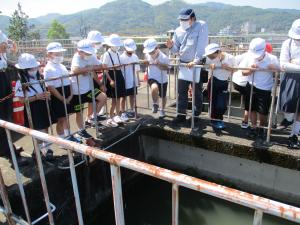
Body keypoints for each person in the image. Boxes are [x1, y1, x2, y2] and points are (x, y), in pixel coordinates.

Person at [166, 8, 208, 125]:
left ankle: (195, 115)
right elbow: (176, 49)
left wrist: (195, 61)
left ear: (192, 18)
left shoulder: (201, 26)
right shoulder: (178, 30)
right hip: (184, 64)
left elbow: (201, 45)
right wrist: (170, 46)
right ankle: (181, 114)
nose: (183, 21)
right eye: (181, 20)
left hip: (196, 65)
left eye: (185, 19)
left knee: (197, 91)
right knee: (181, 91)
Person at [15, 53, 54, 161]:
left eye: (35, 67)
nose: (34, 69)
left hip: (43, 105)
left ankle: (47, 149)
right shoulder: (20, 83)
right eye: (31, 68)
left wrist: (46, 95)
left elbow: (44, 91)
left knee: (45, 128)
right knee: (38, 131)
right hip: (32, 108)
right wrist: (36, 97)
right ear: (24, 70)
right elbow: (21, 100)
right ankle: (37, 151)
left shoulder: (39, 77)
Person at [241, 38, 279, 140]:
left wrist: (274, 69)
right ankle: (254, 127)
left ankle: (261, 128)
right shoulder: (249, 57)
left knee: (263, 111)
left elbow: (278, 73)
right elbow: (243, 73)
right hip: (251, 85)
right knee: (251, 108)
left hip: (265, 89)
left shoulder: (272, 58)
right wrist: (250, 70)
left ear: (264, 50)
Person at [0, 30, 28, 165]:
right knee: (2, 123)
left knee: (6, 120)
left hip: (4, 91)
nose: (6, 45)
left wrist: (15, 51)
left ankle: (7, 150)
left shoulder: (3, 56)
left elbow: (14, 62)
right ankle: (10, 153)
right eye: (3, 43)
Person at [44, 42, 81, 143]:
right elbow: (50, 87)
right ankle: (62, 138)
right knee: (61, 118)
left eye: (60, 53)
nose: (59, 56)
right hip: (57, 95)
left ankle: (67, 136)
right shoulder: (48, 69)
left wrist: (71, 95)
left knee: (66, 116)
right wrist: (62, 98)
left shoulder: (62, 66)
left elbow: (68, 80)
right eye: (56, 54)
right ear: (49, 54)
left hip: (66, 93)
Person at [70, 39, 106, 138]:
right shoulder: (76, 57)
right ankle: (81, 130)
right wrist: (88, 68)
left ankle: (93, 117)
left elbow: (100, 65)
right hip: (77, 90)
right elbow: (75, 70)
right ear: (79, 51)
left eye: (89, 52)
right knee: (79, 112)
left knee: (103, 97)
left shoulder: (91, 55)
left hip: (88, 88)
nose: (88, 54)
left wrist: (87, 69)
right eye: (85, 52)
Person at [279, 19, 300, 148]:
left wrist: (294, 62)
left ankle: (294, 134)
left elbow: (288, 64)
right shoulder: (288, 43)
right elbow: (283, 64)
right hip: (291, 78)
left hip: (293, 74)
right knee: (288, 103)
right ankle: (288, 119)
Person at [204, 43, 235, 130]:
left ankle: (218, 119)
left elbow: (235, 70)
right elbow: (204, 65)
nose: (210, 57)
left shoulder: (230, 58)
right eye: (209, 56)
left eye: (211, 55)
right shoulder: (209, 58)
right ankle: (215, 121)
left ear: (218, 52)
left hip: (224, 82)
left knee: (221, 105)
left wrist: (228, 68)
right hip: (213, 81)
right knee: (212, 102)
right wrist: (209, 66)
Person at [102, 34, 126, 126]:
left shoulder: (117, 53)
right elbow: (104, 69)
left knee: (119, 97)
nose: (116, 46)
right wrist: (110, 80)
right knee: (113, 99)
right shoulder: (106, 54)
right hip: (111, 75)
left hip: (119, 74)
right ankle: (110, 117)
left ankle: (117, 115)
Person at [143, 38, 169, 118]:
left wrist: (159, 64)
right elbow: (145, 62)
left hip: (162, 79)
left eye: (152, 51)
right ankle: (155, 103)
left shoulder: (164, 57)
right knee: (154, 88)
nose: (150, 53)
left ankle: (162, 109)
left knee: (163, 96)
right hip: (152, 77)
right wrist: (146, 63)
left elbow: (168, 68)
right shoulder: (147, 54)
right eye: (149, 51)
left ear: (156, 48)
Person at [120, 39, 140, 118]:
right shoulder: (121, 57)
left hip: (133, 79)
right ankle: (123, 112)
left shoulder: (135, 56)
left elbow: (137, 69)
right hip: (125, 80)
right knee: (123, 97)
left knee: (132, 95)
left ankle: (131, 109)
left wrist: (138, 80)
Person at [233, 52, 250, 129]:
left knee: (249, 100)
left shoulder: (246, 54)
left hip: (236, 81)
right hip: (245, 83)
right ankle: (245, 121)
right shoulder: (259, 57)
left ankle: (246, 120)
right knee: (250, 101)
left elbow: (234, 60)